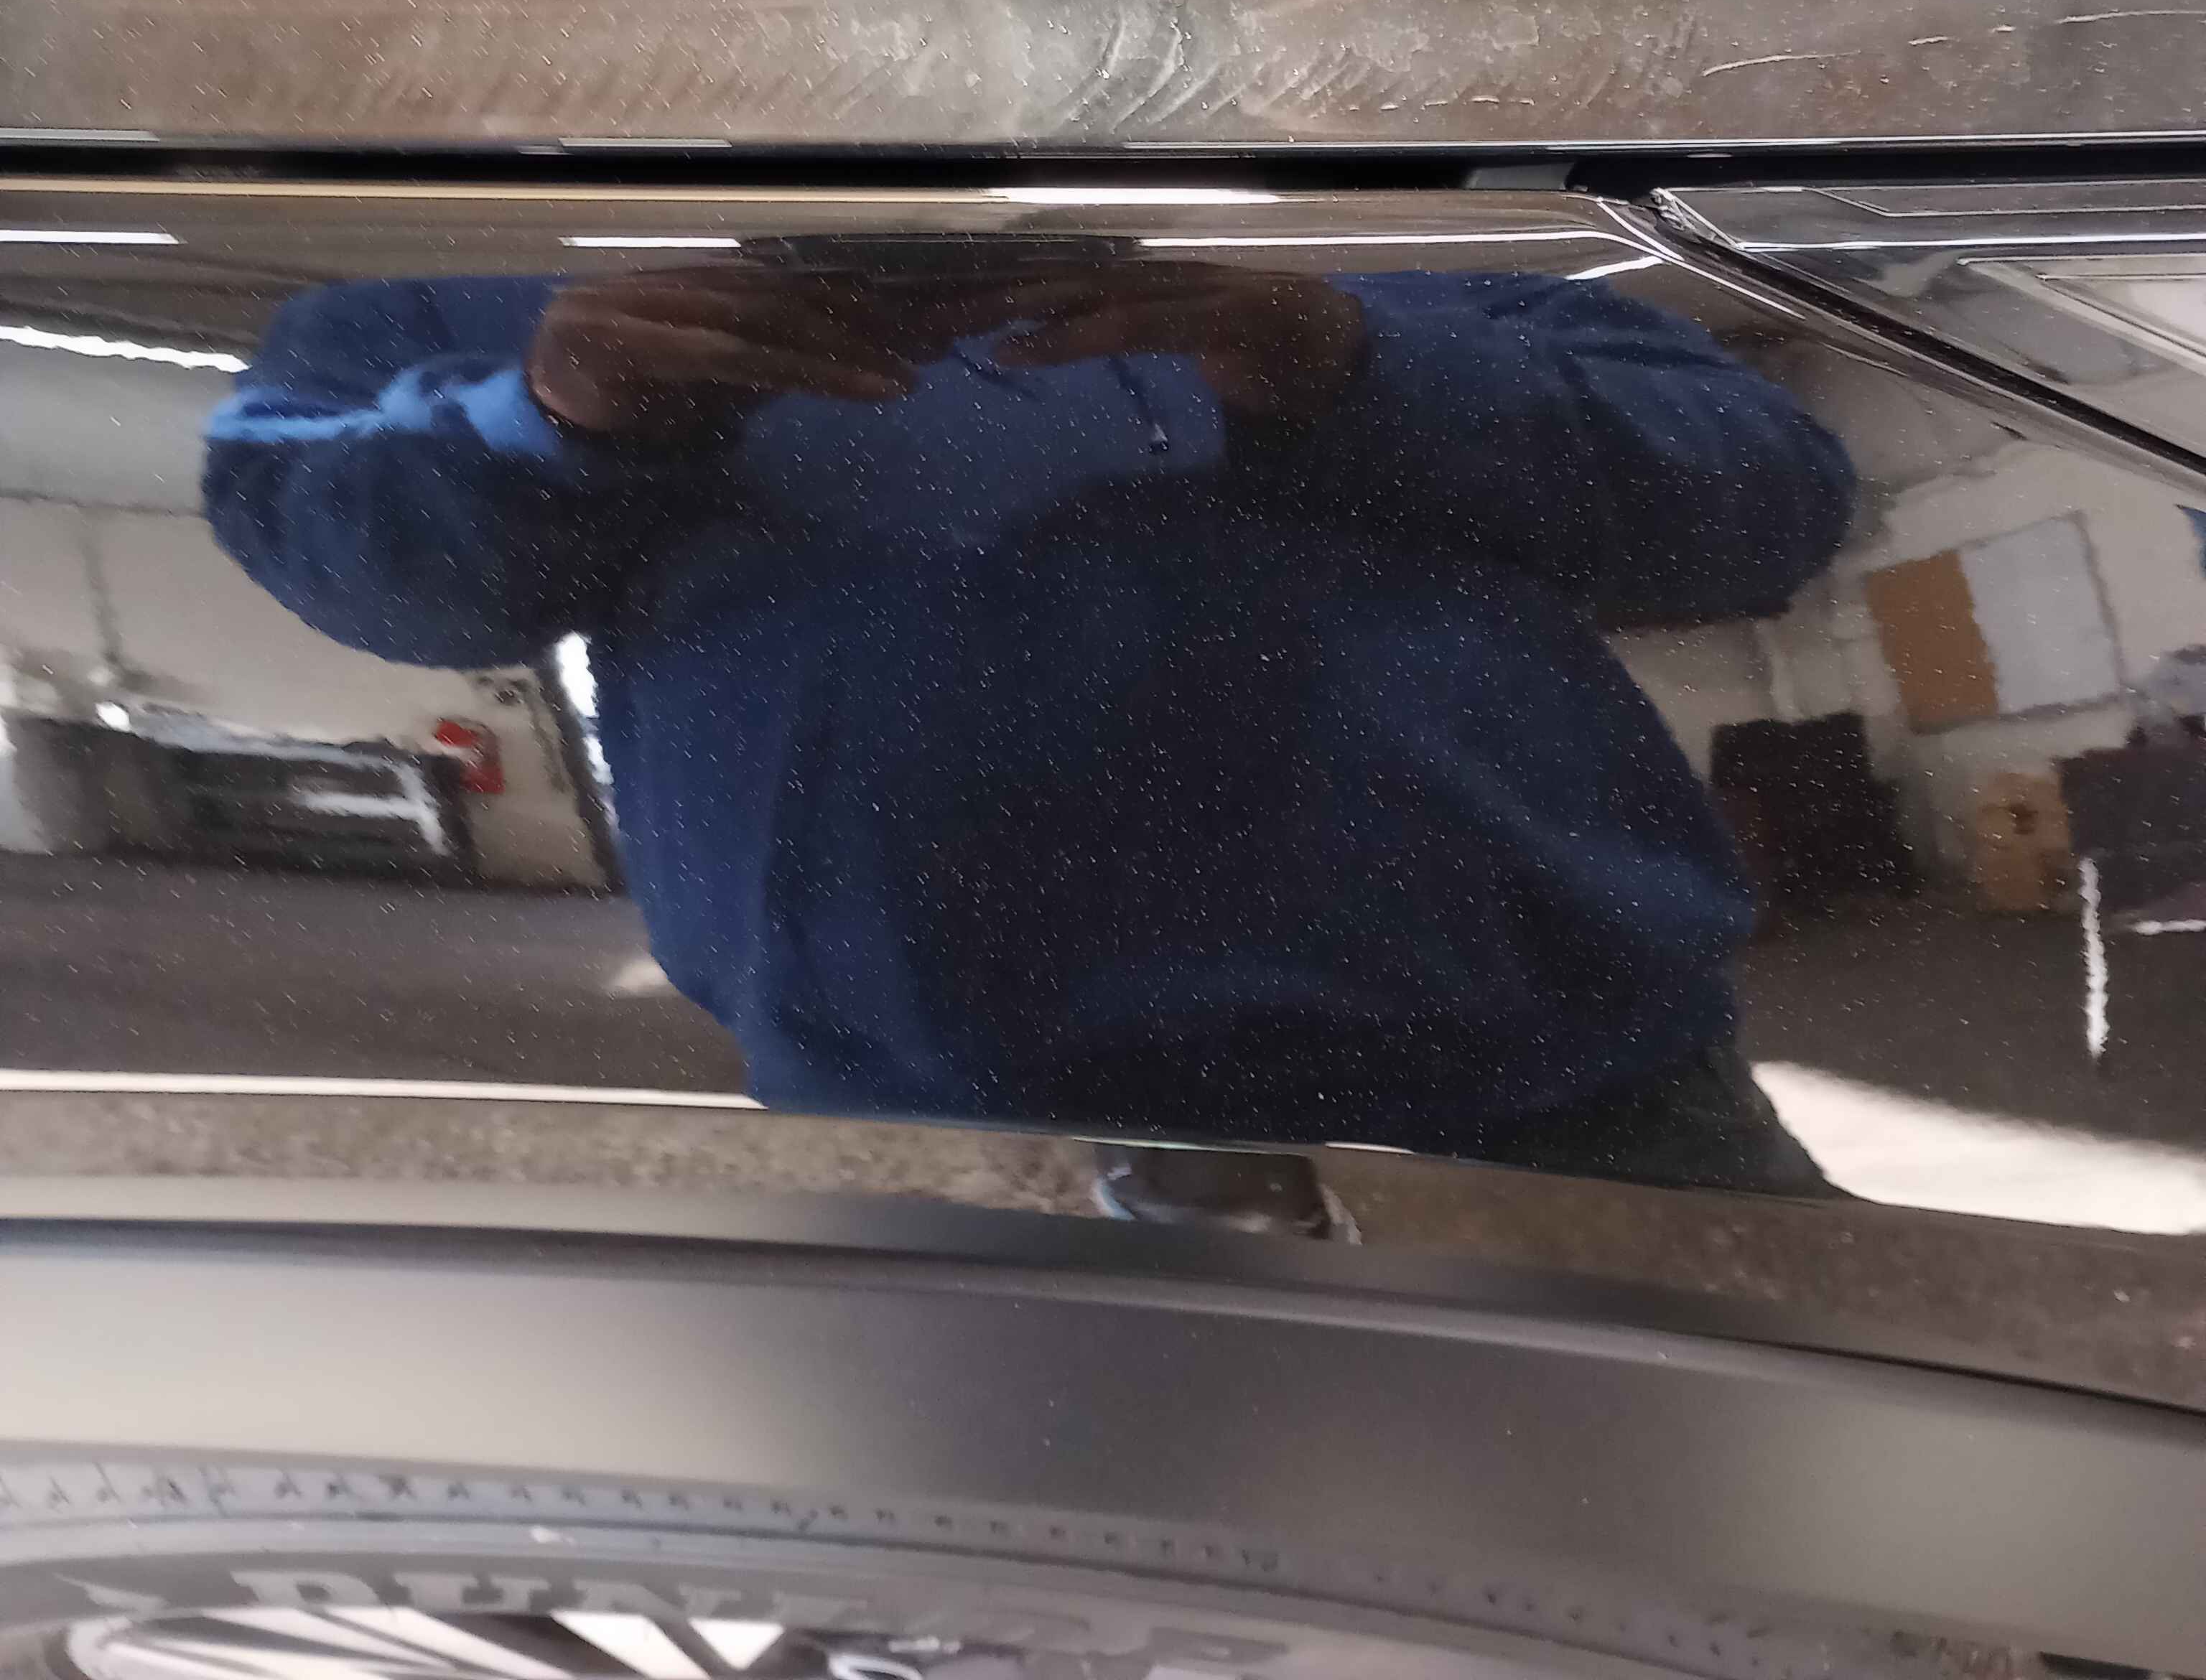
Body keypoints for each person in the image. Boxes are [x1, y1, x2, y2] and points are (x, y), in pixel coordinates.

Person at [203, 255, 1853, 1188]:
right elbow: (341, 558)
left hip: (1576, 1099)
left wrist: (1348, 361)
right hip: (945, 1139)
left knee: (1770, 1575)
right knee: (1050, 1604)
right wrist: (555, 415)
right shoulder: (457, 300)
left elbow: (1768, 503)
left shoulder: (1394, 243)